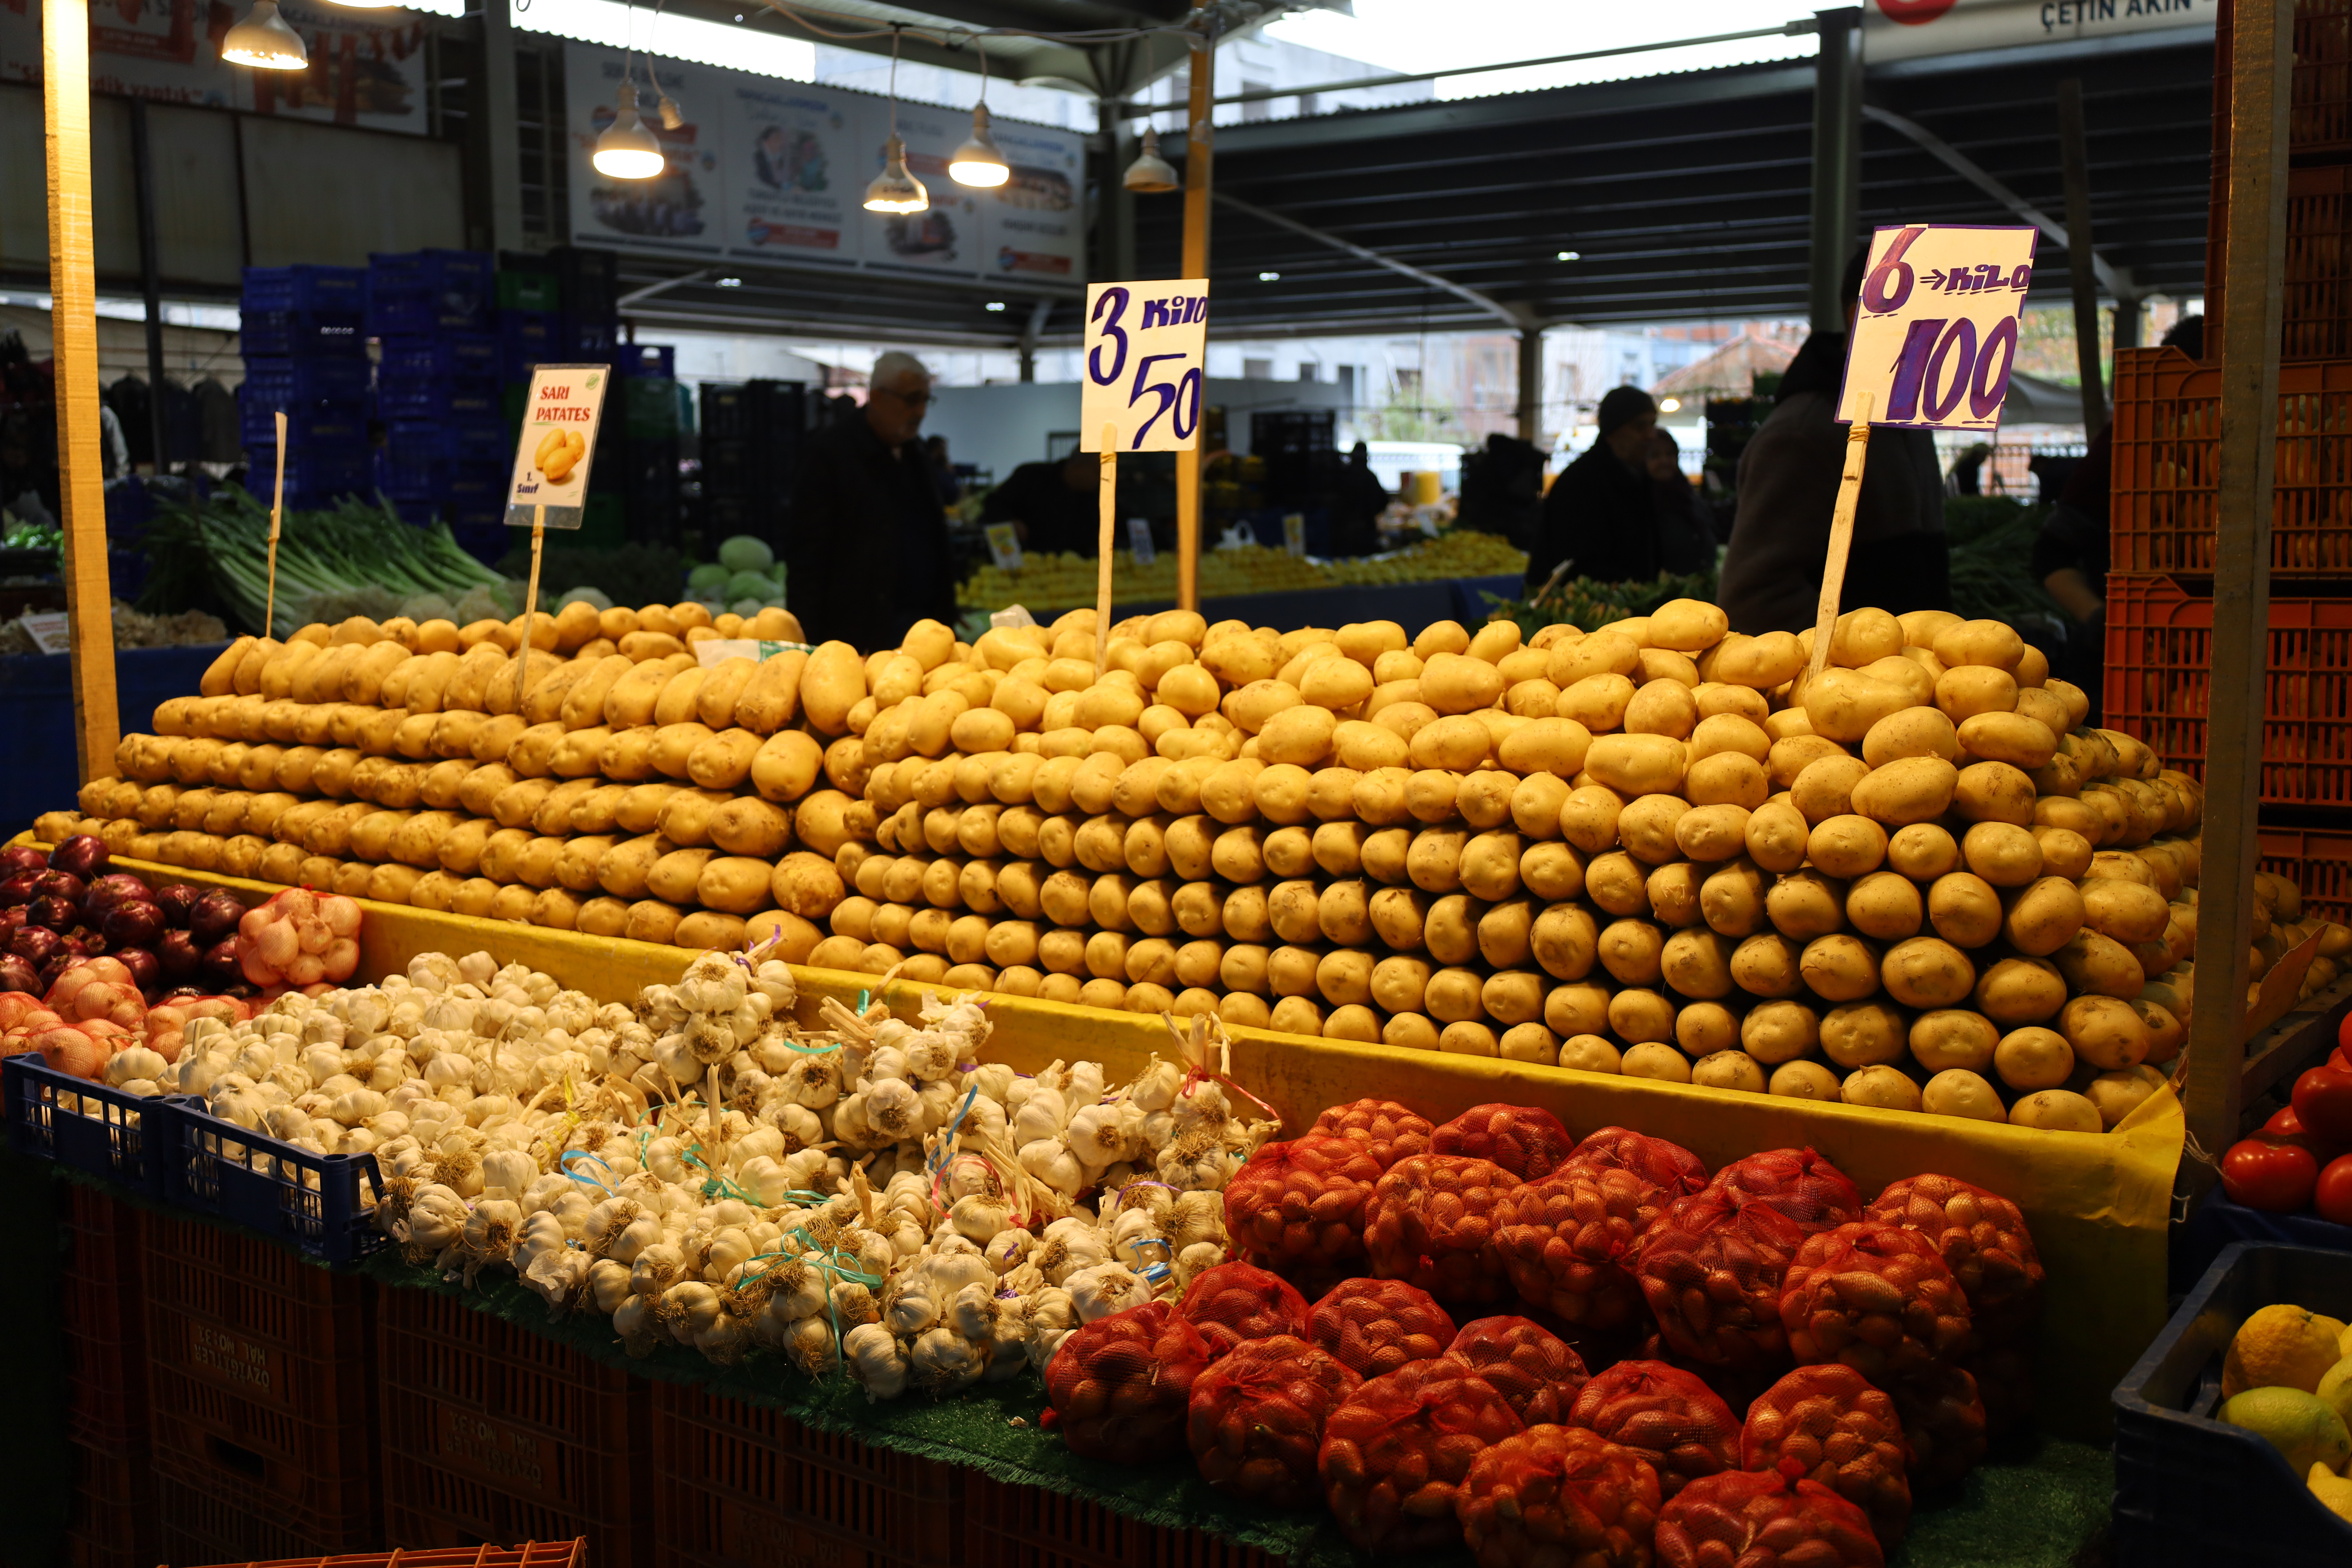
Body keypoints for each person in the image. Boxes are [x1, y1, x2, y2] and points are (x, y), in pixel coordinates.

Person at [1717, 251, 1948, 635]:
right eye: (1929, 310)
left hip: (1915, 682)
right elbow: (1754, 598)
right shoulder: (1801, 434)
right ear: (1863, 313)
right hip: (1849, 688)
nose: (1943, 329)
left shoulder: (1908, 419)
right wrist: (1861, 658)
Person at [786, 350, 953, 648]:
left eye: (926, 400)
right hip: (854, 634)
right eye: (912, 399)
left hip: (917, 627)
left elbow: (935, 539)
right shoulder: (830, 455)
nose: (921, 411)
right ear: (877, 397)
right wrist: (807, 641)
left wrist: (946, 612)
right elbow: (807, 557)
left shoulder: (916, 454)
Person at [1522, 386, 1661, 590]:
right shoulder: (1581, 483)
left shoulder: (1639, 476)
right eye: (1640, 427)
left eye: (1652, 425)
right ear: (1613, 431)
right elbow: (1577, 563)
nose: (1651, 436)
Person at [980, 451, 1099, 556]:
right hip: (1019, 565)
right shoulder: (1032, 477)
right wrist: (1010, 522)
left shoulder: (1092, 499)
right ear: (1078, 467)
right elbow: (993, 506)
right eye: (1097, 473)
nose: (1100, 479)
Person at [1646, 428, 1716, 575]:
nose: (1664, 461)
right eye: (1655, 455)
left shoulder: (1687, 495)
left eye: (1670, 454)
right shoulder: (1639, 501)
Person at [1328, 441, 1392, 557]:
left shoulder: (1344, 476)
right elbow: (1384, 501)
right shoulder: (1370, 477)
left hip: (1344, 531)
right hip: (1366, 530)